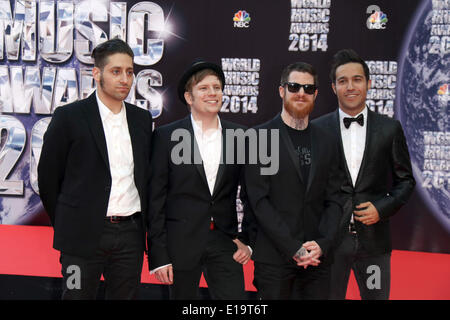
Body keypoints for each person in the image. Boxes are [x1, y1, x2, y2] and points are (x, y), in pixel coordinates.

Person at [37, 38, 152, 300]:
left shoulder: (141, 119)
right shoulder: (69, 116)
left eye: (129, 72)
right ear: (97, 74)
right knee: (76, 296)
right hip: (80, 238)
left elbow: (146, 176)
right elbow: (48, 179)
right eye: (116, 71)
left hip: (129, 237)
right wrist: (70, 223)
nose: (125, 79)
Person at [314, 49, 415, 300]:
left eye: (357, 79)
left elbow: (406, 181)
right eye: (343, 81)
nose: (350, 86)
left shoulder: (389, 129)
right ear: (333, 87)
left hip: (374, 245)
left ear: (368, 84)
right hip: (330, 244)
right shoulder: (317, 129)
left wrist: (382, 208)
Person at [148, 60, 253, 299]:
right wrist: (159, 256)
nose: (212, 93)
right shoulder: (167, 136)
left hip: (225, 242)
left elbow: (252, 194)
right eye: (204, 88)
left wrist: (247, 240)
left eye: (217, 87)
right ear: (189, 97)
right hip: (180, 244)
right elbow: (155, 199)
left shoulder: (240, 136)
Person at [244, 62, 343, 300]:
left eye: (308, 88)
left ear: (316, 94)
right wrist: (292, 247)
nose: (301, 93)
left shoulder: (328, 140)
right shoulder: (259, 137)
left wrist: (323, 243)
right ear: (281, 90)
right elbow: (258, 201)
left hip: (317, 258)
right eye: (294, 86)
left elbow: (336, 198)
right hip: (274, 257)